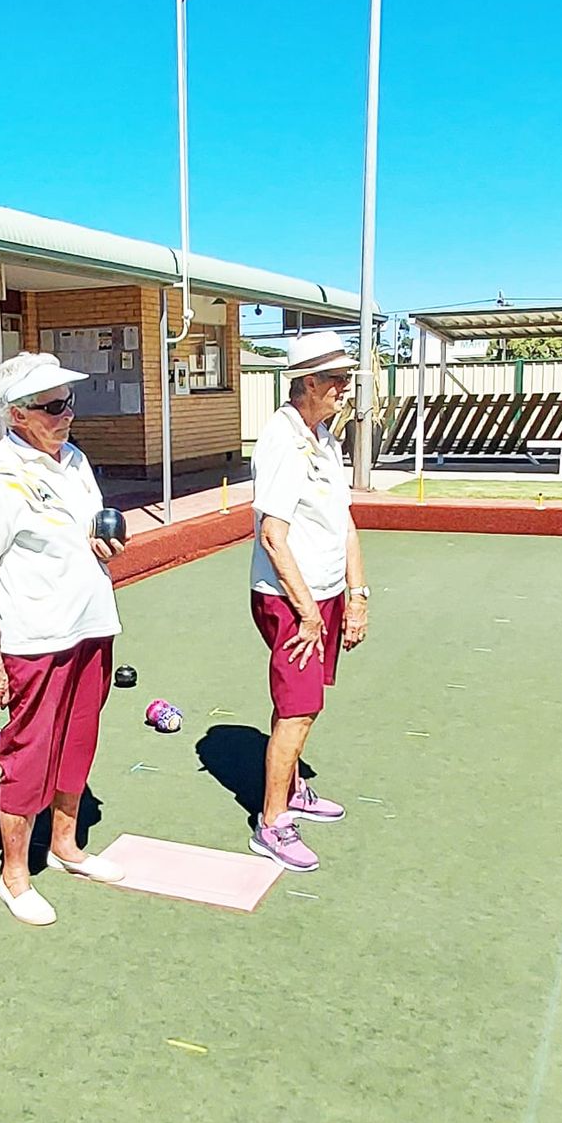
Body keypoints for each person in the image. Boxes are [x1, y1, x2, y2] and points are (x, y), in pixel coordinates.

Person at [0, 352, 126, 927]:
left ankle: (67, 847)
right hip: (33, 639)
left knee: (78, 744)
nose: (68, 414)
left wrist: (104, 546)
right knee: (28, 757)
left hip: (91, 626)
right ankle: (14, 876)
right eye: (54, 406)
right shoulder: (0, 475)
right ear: (18, 414)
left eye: (69, 402)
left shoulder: (75, 460)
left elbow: (86, 533)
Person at [248, 330, 370, 872]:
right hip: (290, 600)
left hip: (325, 593)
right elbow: (273, 534)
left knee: (299, 704)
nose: (346, 389)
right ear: (309, 382)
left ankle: (294, 791)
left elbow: (342, 522)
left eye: (347, 379)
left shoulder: (324, 436)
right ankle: (271, 823)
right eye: (338, 380)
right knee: (299, 710)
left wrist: (358, 593)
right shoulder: (282, 438)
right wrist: (306, 613)